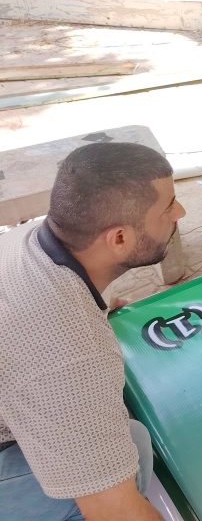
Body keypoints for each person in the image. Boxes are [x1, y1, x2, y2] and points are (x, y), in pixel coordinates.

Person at [0, 142, 185, 521]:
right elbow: (115, 512)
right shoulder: (72, 356)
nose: (180, 212)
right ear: (119, 238)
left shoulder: (27, 241)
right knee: (130, 451)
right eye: (168, 206)